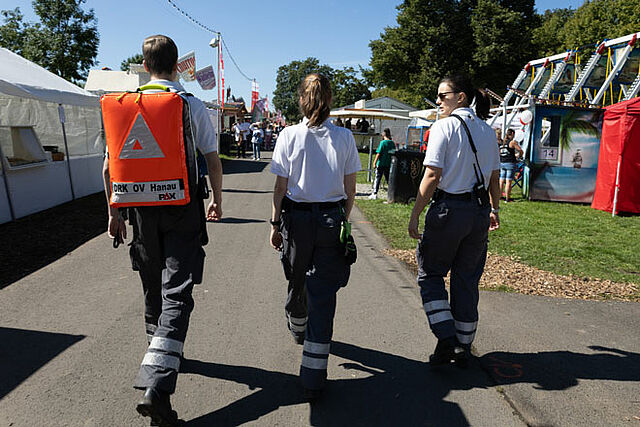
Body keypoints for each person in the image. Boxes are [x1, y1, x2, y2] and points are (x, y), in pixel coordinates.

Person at [102, 34, 223, 426]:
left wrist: (114, 212)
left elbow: (109, 168)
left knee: (152, 285)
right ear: (177, 66)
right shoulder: (190, 105)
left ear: (145, 63)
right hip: (182, 207)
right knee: (178, 291)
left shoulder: (126, 106)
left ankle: (160, 352)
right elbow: (212, 159)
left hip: (139, 209)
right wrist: (216, 199)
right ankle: (157, 382)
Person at [269, 73, 360, 400]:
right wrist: (342, 221)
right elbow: (351, 191)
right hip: (330, 218)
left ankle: (296, 324)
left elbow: (280, 188)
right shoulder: (345, 138)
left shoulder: (288, 135)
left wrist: (274, 224)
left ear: (302, 101)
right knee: (323, 293)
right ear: (331, 99)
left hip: (296, 219)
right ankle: (313, 375)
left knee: (296, 278)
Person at [407, 74, 500, 368]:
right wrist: (494, 210)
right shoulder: (487, 131)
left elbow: (432, 176)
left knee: (431, 274)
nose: (438, 101)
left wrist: (415, 213)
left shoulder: (443, 128)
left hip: (449, 210)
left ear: (461, 97)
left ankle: (446, 337)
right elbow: (494, 178)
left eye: (442, 96)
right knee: (466, 279)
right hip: (479, 212)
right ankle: (464, 345)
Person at [369, 128, 395, 199]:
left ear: (383, 134)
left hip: (381, 163)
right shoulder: (392, 143)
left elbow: (378, 153)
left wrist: (374, 162)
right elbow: (393, 153)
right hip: (388, 163)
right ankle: (391, 193)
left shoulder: (382, 143)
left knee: (378, 178)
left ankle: (375, 193)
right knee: (388, 179)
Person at [499, 128, 523, 202]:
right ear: (512, 134)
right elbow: (521, 150)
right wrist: (519, 156)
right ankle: (507, 198)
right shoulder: (512, 142)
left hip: (502, 163)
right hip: (510, 163)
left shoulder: (502, 142)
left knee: (501, 181)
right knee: (508, 182)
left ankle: (500, 197)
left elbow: (501, 152)